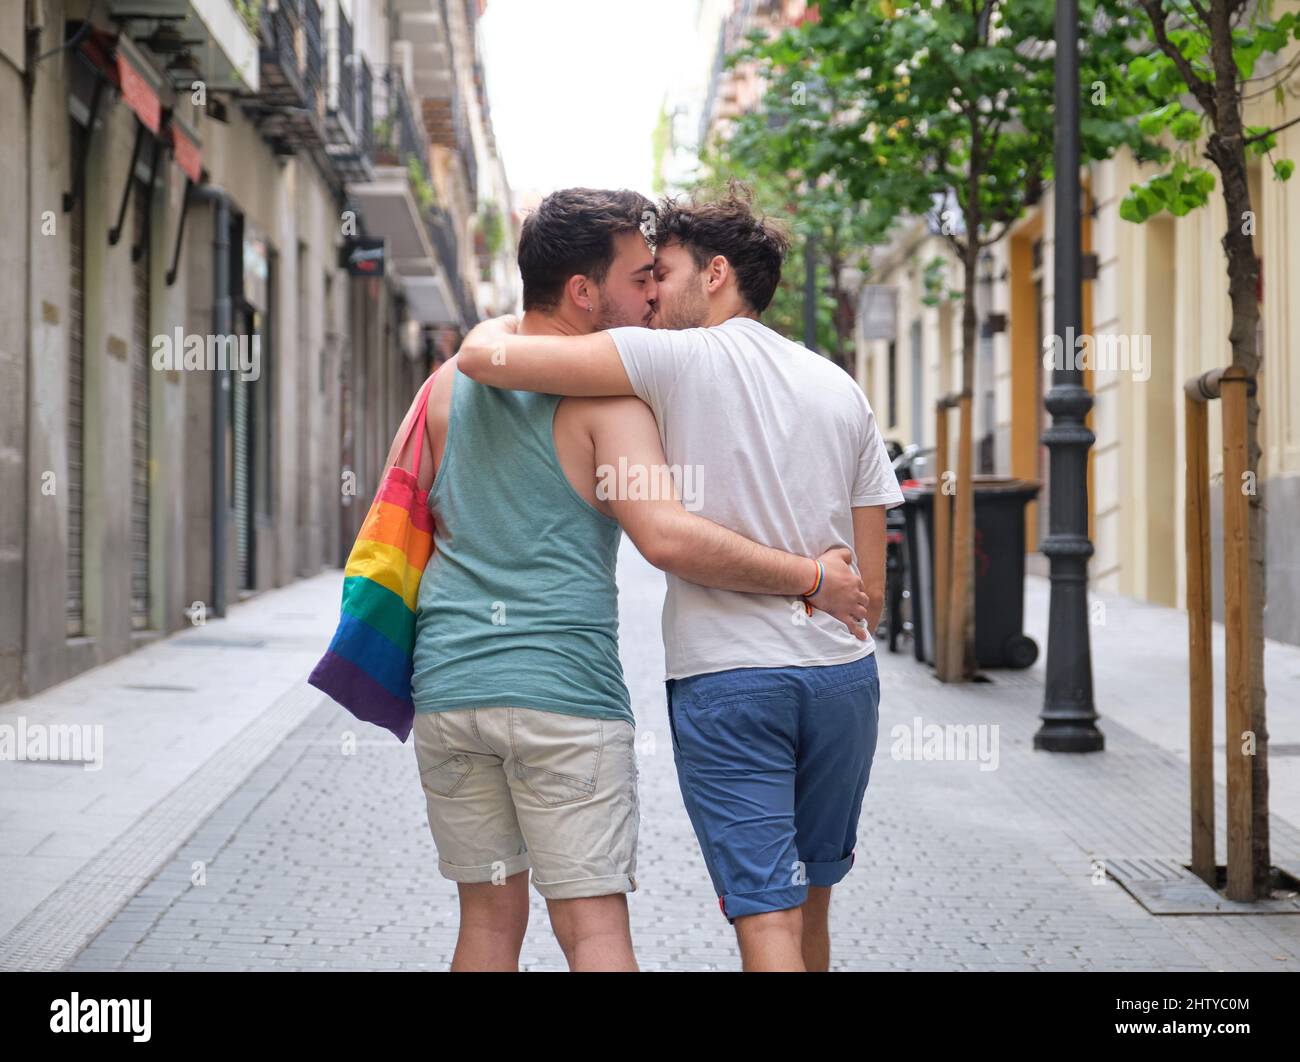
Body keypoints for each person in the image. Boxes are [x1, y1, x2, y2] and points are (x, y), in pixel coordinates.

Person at [406, 187, 869, 972]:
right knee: (593, 932)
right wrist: (810, 578)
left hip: (449, 689)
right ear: (584, 291)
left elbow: (406, 510)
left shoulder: (446, 384)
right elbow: (666, 537)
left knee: (485, 924)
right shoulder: (611, 404)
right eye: (639, 276)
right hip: (562, 698)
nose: (653, 293)